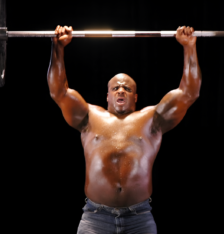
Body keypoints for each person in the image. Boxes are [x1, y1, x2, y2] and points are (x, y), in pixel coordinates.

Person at [47, 25, 201, 234]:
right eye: (115, 88)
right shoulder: (90, 116)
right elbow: (59, 92)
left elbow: (188, 93)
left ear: (135, 97)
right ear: (108, 96)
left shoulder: (152, 119)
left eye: (127, 88)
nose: (121, 90)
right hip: (95, 219)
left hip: (139, 218)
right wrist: (58, 47)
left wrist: (189, 47)